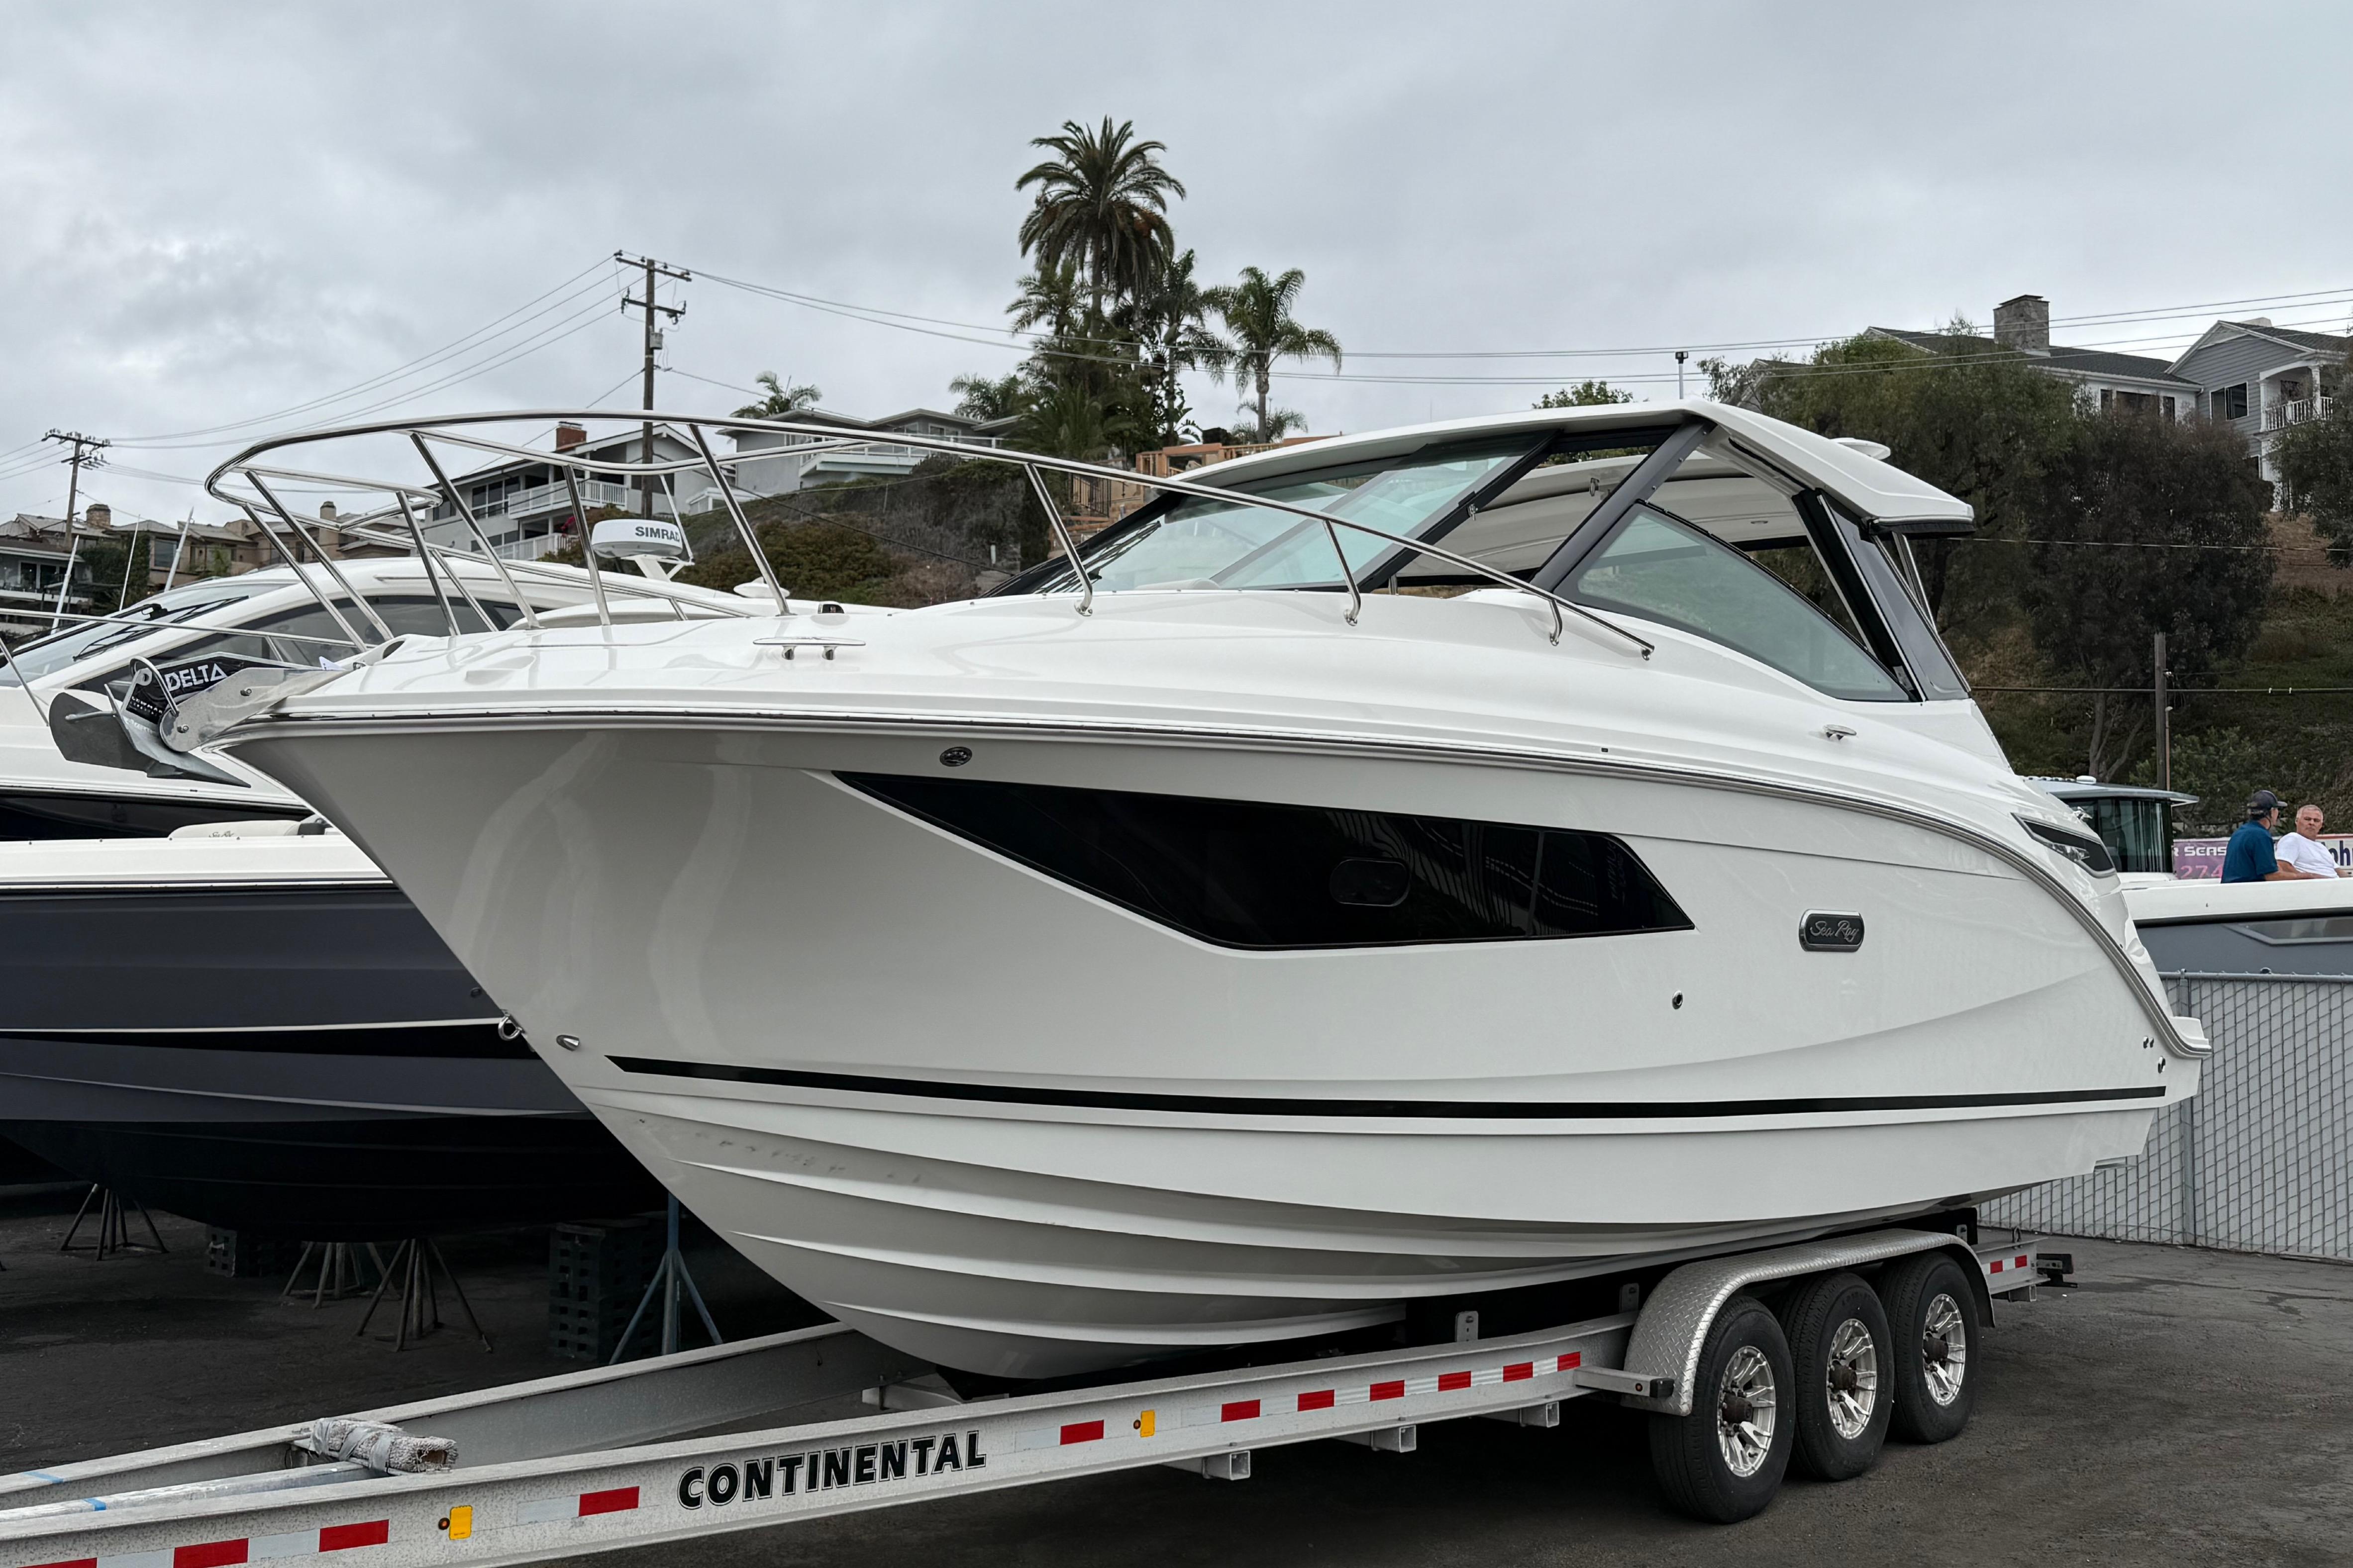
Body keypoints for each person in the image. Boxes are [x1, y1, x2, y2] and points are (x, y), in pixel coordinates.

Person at [2221, 790, 2295, 883]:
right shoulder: (2261, 836)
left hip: (2233, 891)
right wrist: (2308, 877)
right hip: (2247, 893)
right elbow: (2272, 876)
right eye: (2277, 809)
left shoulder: (2240, 832)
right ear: (2272, 812)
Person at [2273, 803, 2342, 880]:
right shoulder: (2293, 839)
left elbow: (2339, 871)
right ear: (2297, 821)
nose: (2312, 823)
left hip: (2336, 886)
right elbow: (2283, 866)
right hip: (2313, 887)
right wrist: (2310, 880)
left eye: (2316, 821)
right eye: (2307, 819)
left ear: (2321, 825)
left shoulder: (2322, 848)